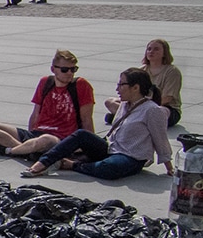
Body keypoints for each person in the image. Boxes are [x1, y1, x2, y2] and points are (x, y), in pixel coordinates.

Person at [23, 69, 173, 181]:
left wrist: (169, 167)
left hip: (131, 157)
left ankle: (73, 165)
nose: (117, 89)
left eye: (121, 85)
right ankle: (42, 163)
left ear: (136, 87)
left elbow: (160, 139)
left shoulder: (153, 110)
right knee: (81, 135)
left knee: (109, 168)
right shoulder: (125, 104)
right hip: (111, 148)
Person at [0, 50, 94, 159]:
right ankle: (28, 152)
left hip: (60, 138)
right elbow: (35, 113)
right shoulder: (45, 82)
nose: (70, 73)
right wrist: (30, 135)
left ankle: (10, 151)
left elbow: (86, 119)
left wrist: (89, 147)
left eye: (73, 69)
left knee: (45, 140)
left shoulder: (81, 85)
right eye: (65, 70)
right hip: (36, 134)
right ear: (53, 69)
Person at [105, 39, 183, 128]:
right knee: (110, 102)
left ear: (165, 53)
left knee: (159, 112)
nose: (151, 52)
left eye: (156, 49)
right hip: (139, 105)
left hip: (164, 107)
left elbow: (167, 98)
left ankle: (123, 117)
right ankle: (131, 117)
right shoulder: (141, 70)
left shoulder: (172, 72)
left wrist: (144, 107)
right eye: (149, 49)